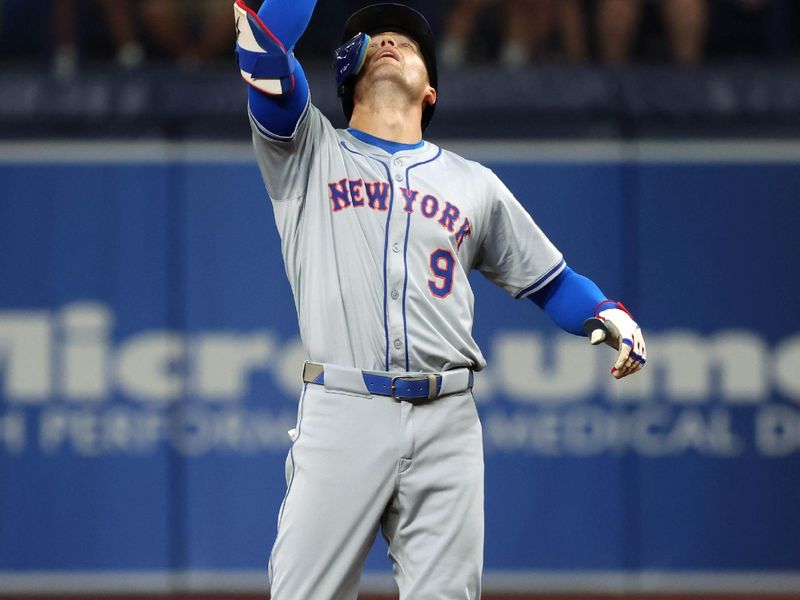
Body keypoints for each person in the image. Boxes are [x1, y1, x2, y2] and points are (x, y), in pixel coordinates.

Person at [234, 1, 647, 598]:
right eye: (374, 37)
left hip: (446, 419)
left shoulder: (471, 183)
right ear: (346, 72)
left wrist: (605, 310)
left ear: (431, 90)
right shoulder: (307, 150)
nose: (390, 42)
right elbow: (263, 50)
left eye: (410, 42)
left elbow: (550, 281)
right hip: (343, 407)